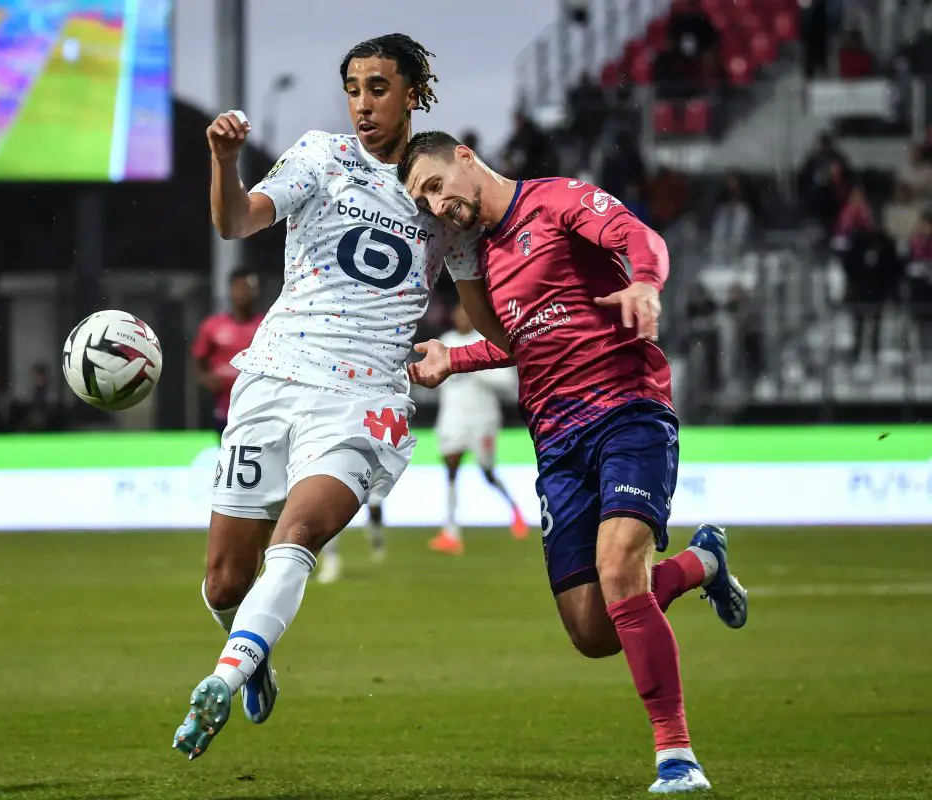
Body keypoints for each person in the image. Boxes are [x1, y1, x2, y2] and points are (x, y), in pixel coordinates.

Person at [398, 132, 749, 794]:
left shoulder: (557, 201)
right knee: (593, 630)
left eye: (438, 184)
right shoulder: (482, 262)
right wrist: (455, 357)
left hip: (627, 410)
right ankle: (702, 563)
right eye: (424, 199)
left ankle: (676, 755)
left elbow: (641, 238)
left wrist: (645, 284)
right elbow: (528, 339)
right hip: (556, 441)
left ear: (466, 157)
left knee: (619, 567)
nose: (437, 203)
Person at [173, 34, 488, 760]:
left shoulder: (443, 189)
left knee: (298, 536)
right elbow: (235, 221)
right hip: (274, 378)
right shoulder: (321, 155)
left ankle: (222, 679)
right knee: (224, 582)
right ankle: (251, 651)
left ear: (415, 92)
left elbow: (488, 314)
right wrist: (225, 161)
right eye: (353, 88)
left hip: (364, 398)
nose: (362, 104)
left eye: (378, 87)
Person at [428, 301, 527, 555]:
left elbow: (506, 383)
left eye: (466, 313)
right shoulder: (446, 340)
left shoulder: (486, 340)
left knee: (487, 472)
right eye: (458, 313)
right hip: (452, 419)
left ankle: (515, 510)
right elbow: (440, 384)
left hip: (482, 420)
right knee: (450, 469)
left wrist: (471, 365)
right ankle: (450, 533)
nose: (462, 318)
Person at [191, 267, 264, 438]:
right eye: (239, 287)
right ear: (231, 291)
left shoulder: (265, 325)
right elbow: (198, 358)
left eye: (248, 288)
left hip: (258, 405)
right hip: (223, 406)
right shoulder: (213, 326)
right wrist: (207, 379)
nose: (244, 293)